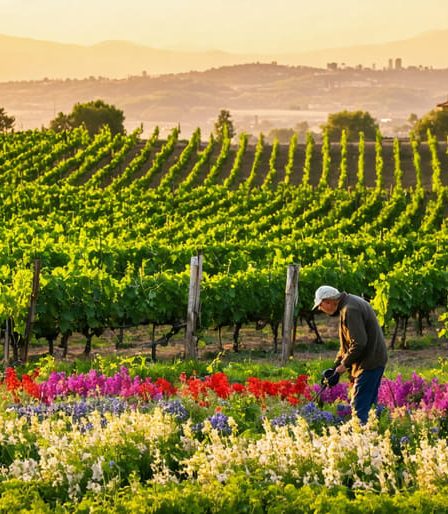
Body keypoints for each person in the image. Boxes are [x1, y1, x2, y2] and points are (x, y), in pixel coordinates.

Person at [312, 285, 387, 424]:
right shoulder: (348, 304)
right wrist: (335, 367)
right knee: (369, 405)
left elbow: (359, 343)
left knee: (359, 407)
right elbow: (346, 346)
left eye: (320, 306)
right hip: (373, 359)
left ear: (328, 301)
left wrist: (344, 365)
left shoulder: (350, 310)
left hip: (368, 363)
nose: (320, 310)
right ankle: (372, 437)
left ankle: (361, 439)